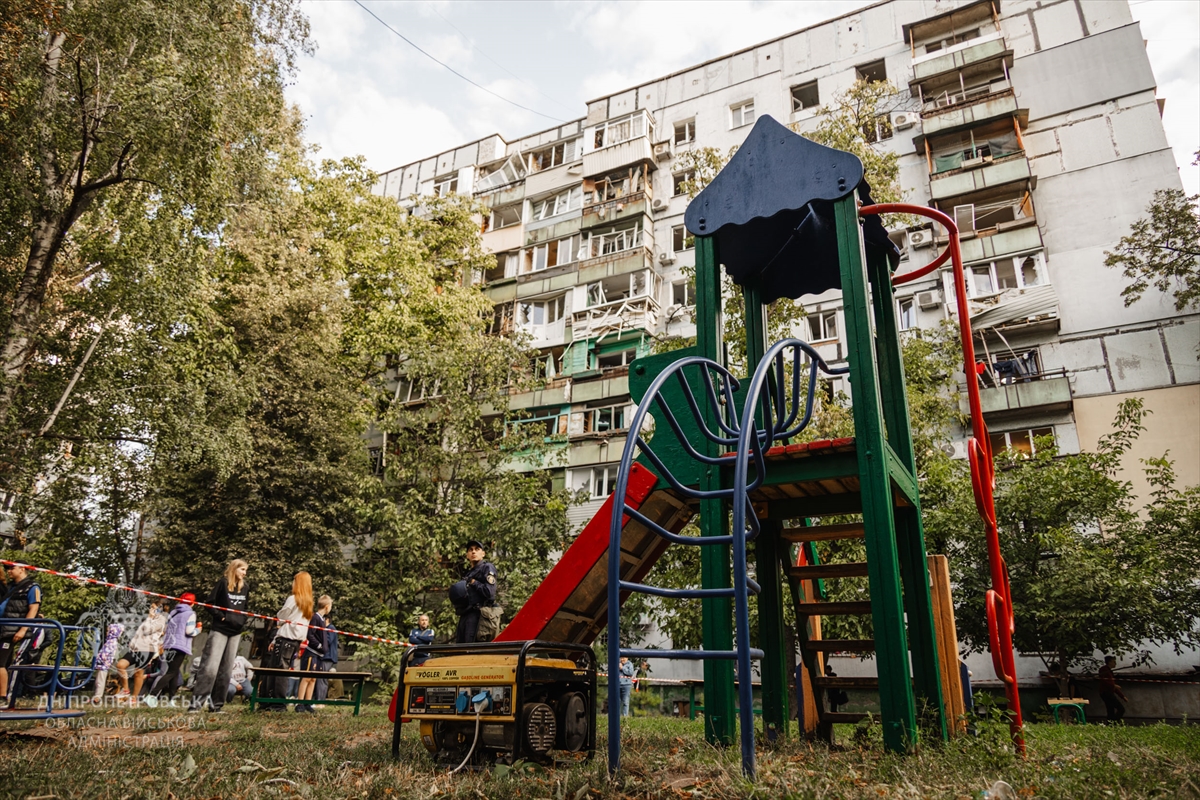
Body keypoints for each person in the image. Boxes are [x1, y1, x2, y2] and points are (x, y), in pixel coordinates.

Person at [191, 559, 250, 712]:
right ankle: (196, 705)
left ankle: (216, 705)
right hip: (220, 629)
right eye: (242, 569)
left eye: (245, 570)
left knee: (226, 669)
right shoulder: (223, 584)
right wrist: (222, 617)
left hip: (235, 632)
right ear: (234, 569)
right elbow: (210, 603)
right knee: (210, 668)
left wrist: (241, 621)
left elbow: (247, 608)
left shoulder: (245, 588)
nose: (244, 573)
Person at [263, 572, 313, 711]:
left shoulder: (293, 599)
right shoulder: (308, 603)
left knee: (278, 671)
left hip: (285, 638)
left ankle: (276, 703)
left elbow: (281, 616)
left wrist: (280, 621)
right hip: (295, 641)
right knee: (282, 670)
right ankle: (273, 702)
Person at [147, 593, 200, 705]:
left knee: (174, 672)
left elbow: (166, 628)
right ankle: (152, 695)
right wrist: (198, 629)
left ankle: (171, 699)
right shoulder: (190, 614)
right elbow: (189, 631)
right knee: (171, 672)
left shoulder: (173, 612)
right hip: (180, 646)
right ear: (193, 603)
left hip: (169, 644)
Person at [0, 564, 42, 702]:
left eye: (11, 568)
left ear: (22, 569)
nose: (9, 571)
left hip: (11, 630)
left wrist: (23, 629)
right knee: (4, 663)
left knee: (0, 663)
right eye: (7, 568)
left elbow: (33, 609)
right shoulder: (10, 587)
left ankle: (2, 696)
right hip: (3, 627)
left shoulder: (32, 587)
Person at [115, 600, 165, 702]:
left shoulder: (160, 620)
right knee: (120, 665)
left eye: (153, 608)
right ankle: (125, 690)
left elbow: (147, 630)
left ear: (160, 610)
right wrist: (132, 644)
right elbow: (139, 633)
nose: (150, 610)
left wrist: (150, 618)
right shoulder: (148, 619)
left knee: (138, 673)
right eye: (151, 607)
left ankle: (134, 698)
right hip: (136, 649)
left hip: (147, 649)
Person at [450, 539, 497, 644]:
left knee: (472, 650)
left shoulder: (487, 567)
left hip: (479, 616)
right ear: (467, 555)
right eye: (470, 550)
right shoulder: (468, 574)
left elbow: (489, 592)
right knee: (461, 650)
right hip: (466, 614)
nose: (473, 552)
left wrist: (474, 582)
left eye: (477, 549)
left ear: (483, 553)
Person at [296, 594, 332, 713]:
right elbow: (310, 634)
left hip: (319, 655)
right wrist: (319, 645)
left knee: (313, 679)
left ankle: (308, 702)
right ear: (327, 607)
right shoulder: (315, 618)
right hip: (311, 653)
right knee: (306, 678)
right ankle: (300, 702)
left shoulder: (322, 619)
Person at [91, 623, 124, 703]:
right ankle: (96, 696)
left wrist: (98, 660)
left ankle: (97, 697)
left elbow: (105, 654)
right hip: (103, 664)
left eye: (108, 631)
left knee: (100, 681)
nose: (106, 633)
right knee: (99, 680)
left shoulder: (111, 642)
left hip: (103, 665)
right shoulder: (112, 641)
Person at [315, 606, 339, 702]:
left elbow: (328, 641)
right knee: (320, 679)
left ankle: (320, 700)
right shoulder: (326, 629)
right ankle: (318, 699)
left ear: (327, 619)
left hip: (327, 657)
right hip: (324, 656)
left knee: (322, 679)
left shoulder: (330, 628)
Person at [1098, 655, 1128, 722]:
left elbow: (1113, 686)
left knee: (1110, 709)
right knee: (1121, 709)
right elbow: (1104, 681)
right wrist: (1113, 686)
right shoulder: (1104, 670)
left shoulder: (1109, 671)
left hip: (1109, 692)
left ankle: (1110, 723)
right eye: (1113, 662)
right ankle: (1115, 722)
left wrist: (1122, 696)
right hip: (1106, 692)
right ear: (1109, 662)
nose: (1115, 663)